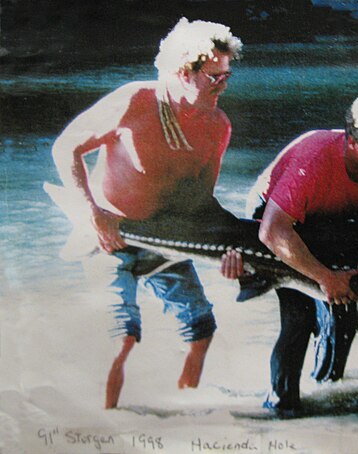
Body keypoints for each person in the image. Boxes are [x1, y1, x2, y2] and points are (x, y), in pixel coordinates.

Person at [51, 17, 242, 409]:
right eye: (214, 77)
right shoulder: (135, 101)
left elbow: (201, 204)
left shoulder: (217, 127)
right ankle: (106, 426)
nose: (223, 85)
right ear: (181, 71)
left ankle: (186, 411)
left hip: (164, 239)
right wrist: (92, 214)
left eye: (227, 75)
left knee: (201, 330)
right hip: (109, 235)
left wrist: (229, 248)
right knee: (122, 337)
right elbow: (65, 148)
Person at [221, 93, 358, 416]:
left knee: (346, 317)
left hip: (330, 221)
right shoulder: (314, 159)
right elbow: (272, 231)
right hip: (275, 218)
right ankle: (281, 407)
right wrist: (325, 277)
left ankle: (326, 395)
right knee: (299, 319)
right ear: (353, 142)